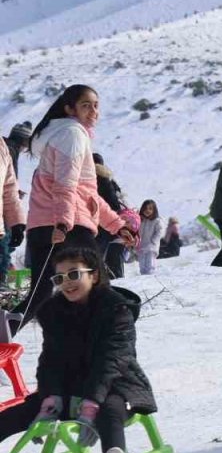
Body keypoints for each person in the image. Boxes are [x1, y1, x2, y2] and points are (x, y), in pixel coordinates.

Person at [33, 246, 158, 453]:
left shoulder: (116, 311)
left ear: (95, 276)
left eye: (74, 274)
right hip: (72, 387)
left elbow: (111, 362)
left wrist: (90, 405)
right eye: (59, 278)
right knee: (18, 413)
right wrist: (50, 400)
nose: (66, 283)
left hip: (116, 384)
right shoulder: (54, 314)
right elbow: (50, 361)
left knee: (109, 409)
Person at [17, 85, 134, 333]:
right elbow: (65, 186)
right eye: (85, 105)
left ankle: (3, 337)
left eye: (96, 105)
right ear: (70, 109)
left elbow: (87, 195)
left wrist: (116, 225)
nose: (93, 111)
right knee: (97, 283)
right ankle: (105, 346)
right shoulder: (72, 134)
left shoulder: (58, 135)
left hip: (44, 223)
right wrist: (62, 223)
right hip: (67, 224)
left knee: (39, 295)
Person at [93, 154, 128, 279]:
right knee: (113, 260)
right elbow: (117, 203)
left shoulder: (95, 180)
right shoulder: (110, 180)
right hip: (114, 224)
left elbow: (112, 204)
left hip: (101, 225)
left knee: (96, 258)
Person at [0, 140, 26, 286]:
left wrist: (16, 222)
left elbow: (9, 188)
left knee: (5, 265)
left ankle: (14, 305)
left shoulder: (2, 147)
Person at [136, 200, 162, 275]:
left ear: (154, 210)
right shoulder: (140, 220)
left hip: (151, 247)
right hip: (141, 246)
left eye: (150, 209)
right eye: (145, 209)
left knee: (150, 265)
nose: (147, 211)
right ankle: (143, 278)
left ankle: (150, 278)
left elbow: (160, 231)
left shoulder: (156, 221)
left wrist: (153, 241)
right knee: (142, 266)